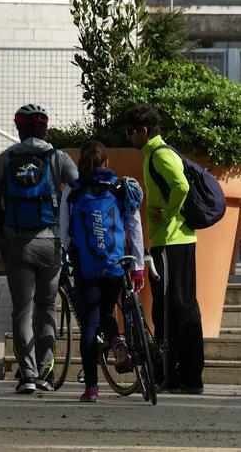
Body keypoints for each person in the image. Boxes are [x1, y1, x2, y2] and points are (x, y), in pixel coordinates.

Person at [0, 104, 78, 394]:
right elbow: (79, 190)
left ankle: (26, 375)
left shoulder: (5, 159)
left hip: (16, 242)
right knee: (47, 308)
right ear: (46, 128)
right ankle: (45, 372)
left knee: (22, 311)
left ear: (18, 129)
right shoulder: (58, 158)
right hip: (50, 241)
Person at [125, 105, 204, 394]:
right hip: (170, 242)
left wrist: (168, 214)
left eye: (131, 131)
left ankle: (187, 377)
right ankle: (177, 374)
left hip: (173, 242)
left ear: (143, 132)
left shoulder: (160, 156)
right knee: (171, 308)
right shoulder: (155, 155)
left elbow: (180, 186)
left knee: (176, 309)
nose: (128, 137)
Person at [59, 141, 145, 403]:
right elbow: (135, 225)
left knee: (90, 323)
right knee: (108, 311)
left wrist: (72, 257)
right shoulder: (121, 188)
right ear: (107, 163)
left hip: (86, 268)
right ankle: (117, 339)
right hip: (116, 267)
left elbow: (64, 233)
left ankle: (92, 389)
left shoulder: (71, 191)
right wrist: (138, 266)